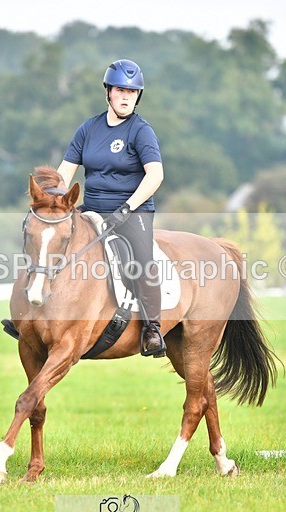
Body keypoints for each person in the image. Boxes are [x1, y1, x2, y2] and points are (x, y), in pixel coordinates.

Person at [57, 58, 166, 357]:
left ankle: (152, 328)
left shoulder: (141, 131)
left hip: (133, 212)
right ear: (108, 92)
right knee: (51, 245)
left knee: (143, 260)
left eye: (133, 92)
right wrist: (54, 200)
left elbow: (155, 175)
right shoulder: (88, 129)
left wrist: (128, 207)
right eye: (121, 90)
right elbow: (65, 172)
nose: (126, 97)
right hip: (91, 210)